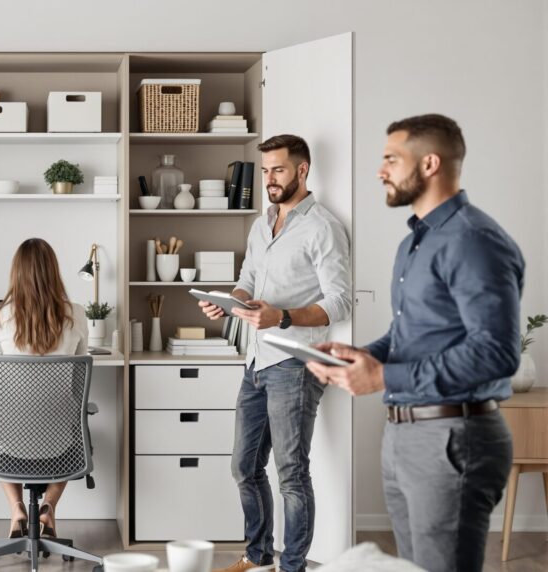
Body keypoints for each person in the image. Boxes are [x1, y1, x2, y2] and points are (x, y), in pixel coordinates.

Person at [306, 114, 523, 572]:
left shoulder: (474, 240)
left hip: (453, 437)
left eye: (391, 159)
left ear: (429, 164)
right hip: (404, 434)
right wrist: (361, 357)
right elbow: (409, 334)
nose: (379, 171)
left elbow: (497, 352)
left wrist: (384, 376)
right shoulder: (415, 244)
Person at [201, 135, 352, 572]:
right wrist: (227, 302)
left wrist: (281, 316)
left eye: (278, 170)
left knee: (291, 472)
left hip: (296, 364)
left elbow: (340, 302)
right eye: (266, 170)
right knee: (244, 467)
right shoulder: (261, 223)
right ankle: (258, 555)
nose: (269, 179)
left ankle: (293, 567)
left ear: (302, 170)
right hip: (255, 360)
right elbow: (247, 280)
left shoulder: (322, 227)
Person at [0, 237, 89, 540]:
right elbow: (79, 378)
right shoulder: (76, 314)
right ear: (54, 272)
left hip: (8, 446)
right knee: (76, 425)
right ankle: (48, 507)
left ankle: (17, 509)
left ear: (16, 274)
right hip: (60, 447)